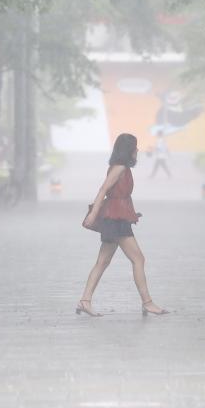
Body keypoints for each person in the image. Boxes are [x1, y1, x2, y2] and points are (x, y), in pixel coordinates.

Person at [78, 133, 169, 317]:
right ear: (128, 150)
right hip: (116, 218)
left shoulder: (121, 167)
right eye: (135, 147)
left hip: (118, 216)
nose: (137, 150)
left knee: (103, 261)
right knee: (138, 259)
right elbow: (103, 189)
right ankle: (148, 303)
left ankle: (84, 301)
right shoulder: (119, 168)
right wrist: (93, 213)